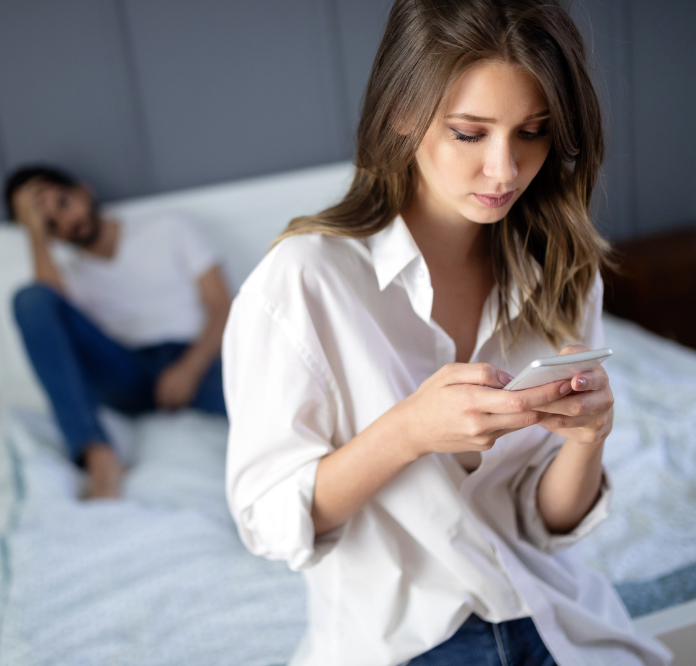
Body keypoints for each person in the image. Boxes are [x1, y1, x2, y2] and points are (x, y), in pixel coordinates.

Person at [223, 1, 672, 665]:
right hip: (402, 640)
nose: (506, 169)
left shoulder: (563, 274)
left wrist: (588, 437)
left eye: (533, 132)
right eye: (470, 133)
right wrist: (407, 431)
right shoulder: (302, 282)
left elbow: (547, 524)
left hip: (549, 613)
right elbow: (268, 521)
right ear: (403, 112)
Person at [6, 165, 229, 499]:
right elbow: (44, 313)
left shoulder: (169, 228)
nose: (65, 223)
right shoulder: (67, 278)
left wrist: (190, 368)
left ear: (84, 190)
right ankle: (98, 455)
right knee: (29, 299)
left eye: (63, 204)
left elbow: (223, 307)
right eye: (50, 223)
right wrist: (35, 235)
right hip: (126, 372)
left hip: (193, 357)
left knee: (269, 400)